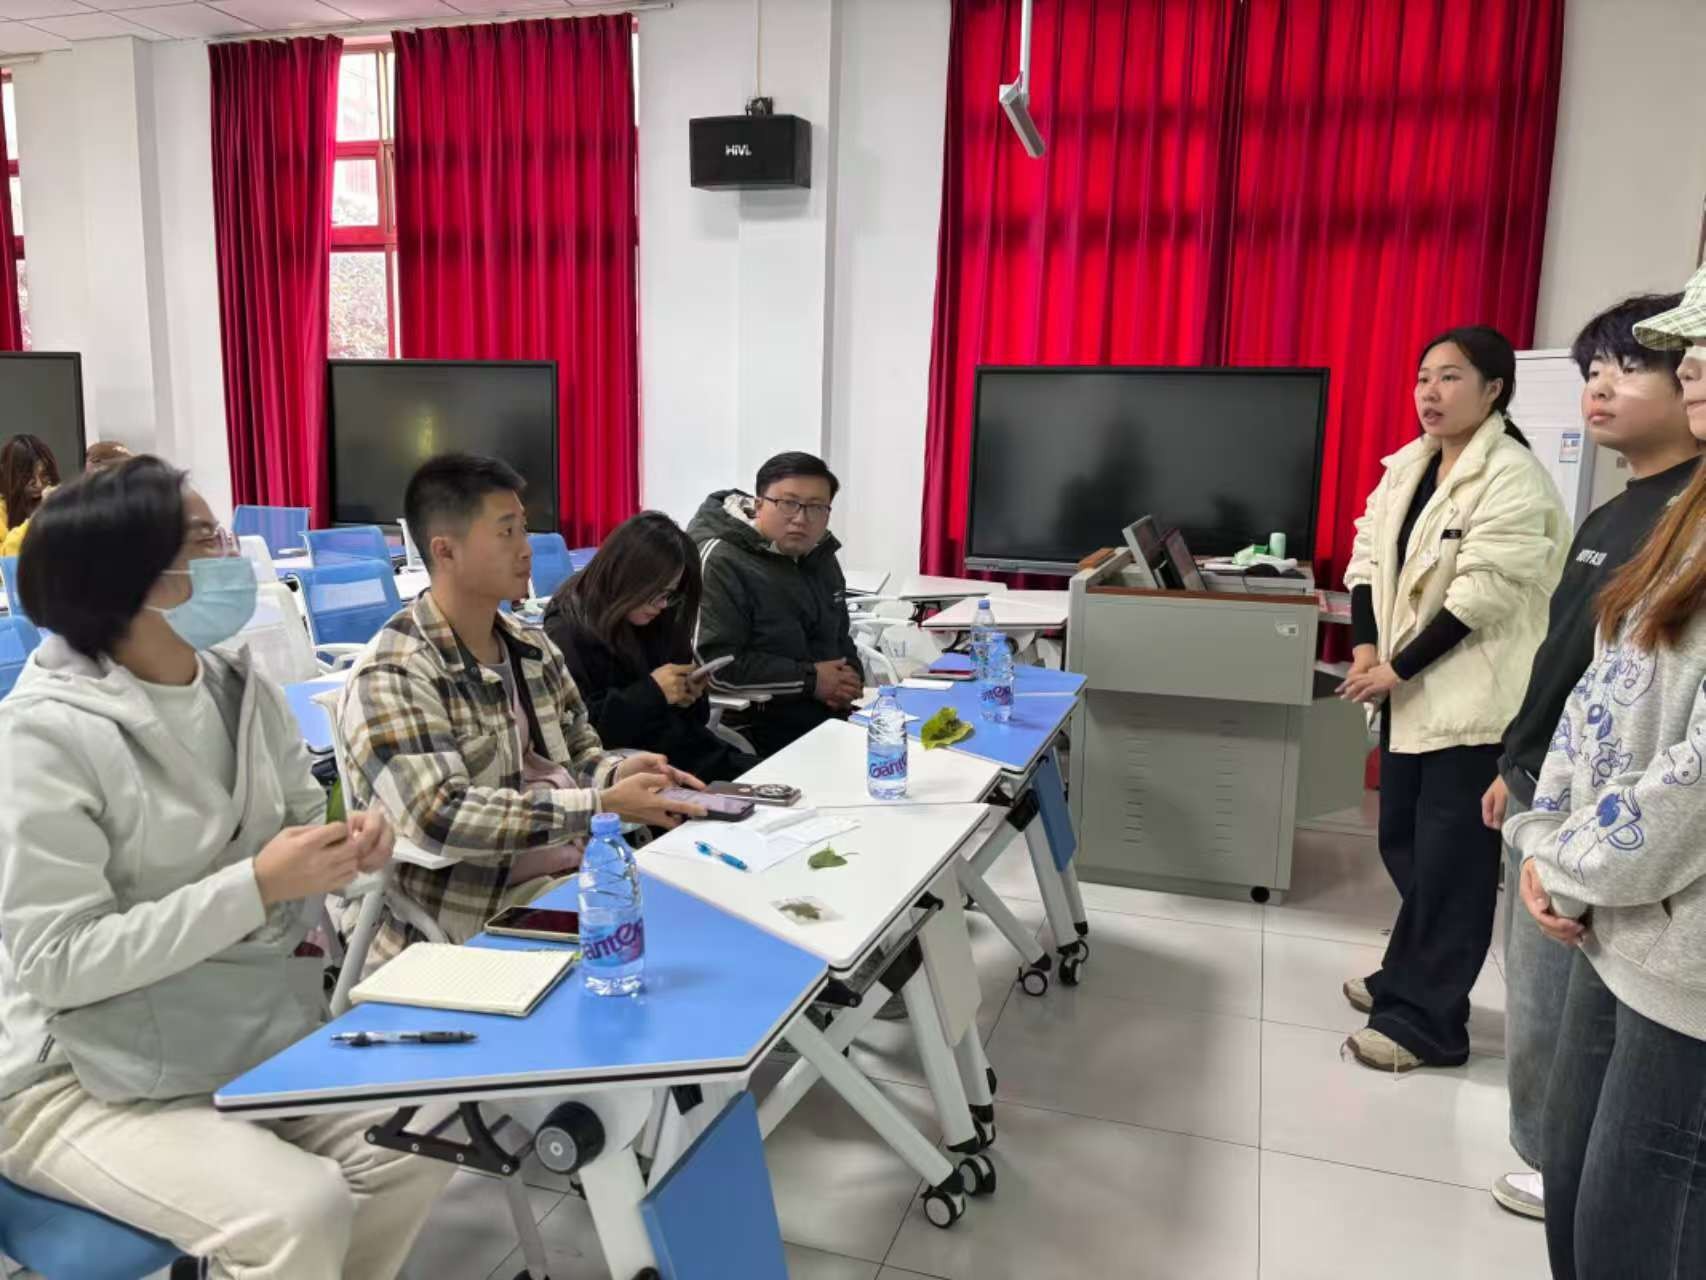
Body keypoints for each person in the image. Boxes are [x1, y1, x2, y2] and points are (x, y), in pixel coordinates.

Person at [0, 457, 449, 1279]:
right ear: (131, 577)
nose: (231, 556)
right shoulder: (42, 736)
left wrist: (348, 855)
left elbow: (295, 836)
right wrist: (257, 886)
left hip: (232, 1027)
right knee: (298, 1211)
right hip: (74, 1072)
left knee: (418, 1135)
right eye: (205, 539)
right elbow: (58, 962)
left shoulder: (240, 689)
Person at [1481, 295, 1699, 1221]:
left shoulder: (1681, 516)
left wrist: (1571, 853)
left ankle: (1554, 1163)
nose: (1601, 388)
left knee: (1574, 1027)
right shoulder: (1622, 512)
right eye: (1591, 371)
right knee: (1548, 1022)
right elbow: (1581, 675)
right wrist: (1522, 769)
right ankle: (1551, 1158)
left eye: (1630, 366)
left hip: (1621, 850)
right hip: (1556, 804)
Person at [338, 454, 705, 964]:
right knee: (668, 946)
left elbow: (578, 753)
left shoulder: (530, 647)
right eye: (506, 532)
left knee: (700, 915)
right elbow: (440, 816)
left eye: (524, 529)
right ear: (445, 551)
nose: (526, 549)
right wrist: (601, 803)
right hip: (471, 911)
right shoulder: (395, 671)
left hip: (572, 874)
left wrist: (620, 773)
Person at [1339, 325, 1567, 1071]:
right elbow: (1368, 555)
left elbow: (1483, 595)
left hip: (1473, 704)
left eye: (1450, 377)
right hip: (1408, 692)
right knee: (1402, 842)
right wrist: (1367, 651)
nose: (1429, 393)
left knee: (1452, 865)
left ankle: (1430, 1024)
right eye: (1423, 377)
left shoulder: (1512, 476)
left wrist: (1396, 669)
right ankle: (1409, 976)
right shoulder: (1410, 464)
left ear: (1494, 389)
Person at [544, 510, 757, 785]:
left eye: (669, 594)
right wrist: (654, 692)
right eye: (658, 593)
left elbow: (695, 721)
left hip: (697, 755)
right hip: (649, 773)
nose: (663, 604)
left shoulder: (660, 616)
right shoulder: (569, 628)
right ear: (625, 577)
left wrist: (690, 694)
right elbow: (583, 734)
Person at [687, 451, 865, 757]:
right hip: (754, 723)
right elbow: (714, 667)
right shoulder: (720, 560)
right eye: (788, 503)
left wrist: (850, 678)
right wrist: (812, 680)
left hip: (824, 711)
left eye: (816, 507)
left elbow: (839, 636)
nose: (801, 518)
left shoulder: (820, 554)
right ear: (759, 505)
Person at [0, 433, 61, 556]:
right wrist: (37, 517)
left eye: (44, 475)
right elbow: (5, 558)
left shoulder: (58, 501)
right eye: (28, 476)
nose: (39, 484)